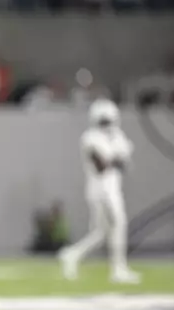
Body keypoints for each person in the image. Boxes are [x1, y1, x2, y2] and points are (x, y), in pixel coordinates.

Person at [58, 99, 140, 284]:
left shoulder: (118, 136)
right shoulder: (90, 138)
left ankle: (72, 255)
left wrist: (118, 158)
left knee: (101, 233)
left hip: (113, 188)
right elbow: (101, 166)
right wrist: (117, 157)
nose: (106, 124)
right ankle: (118, 269)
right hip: (100, 190)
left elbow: (126, 165)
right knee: (118, 224)